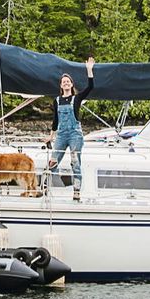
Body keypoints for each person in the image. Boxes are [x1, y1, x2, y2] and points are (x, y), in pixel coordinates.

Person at [45, 56, 95, 202]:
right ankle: (45, 188)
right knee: (53, 161)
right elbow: (55, 119)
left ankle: (77, 191)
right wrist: (51, 136)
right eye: (64, 82)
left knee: (75, 163)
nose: (66, 83)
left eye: (68, 81)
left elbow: (90, 87)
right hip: (61, 134)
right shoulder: (57, 100)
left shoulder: (77, 98)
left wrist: (89, 70)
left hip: (75, 135)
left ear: (71, 84)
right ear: (61, 86)